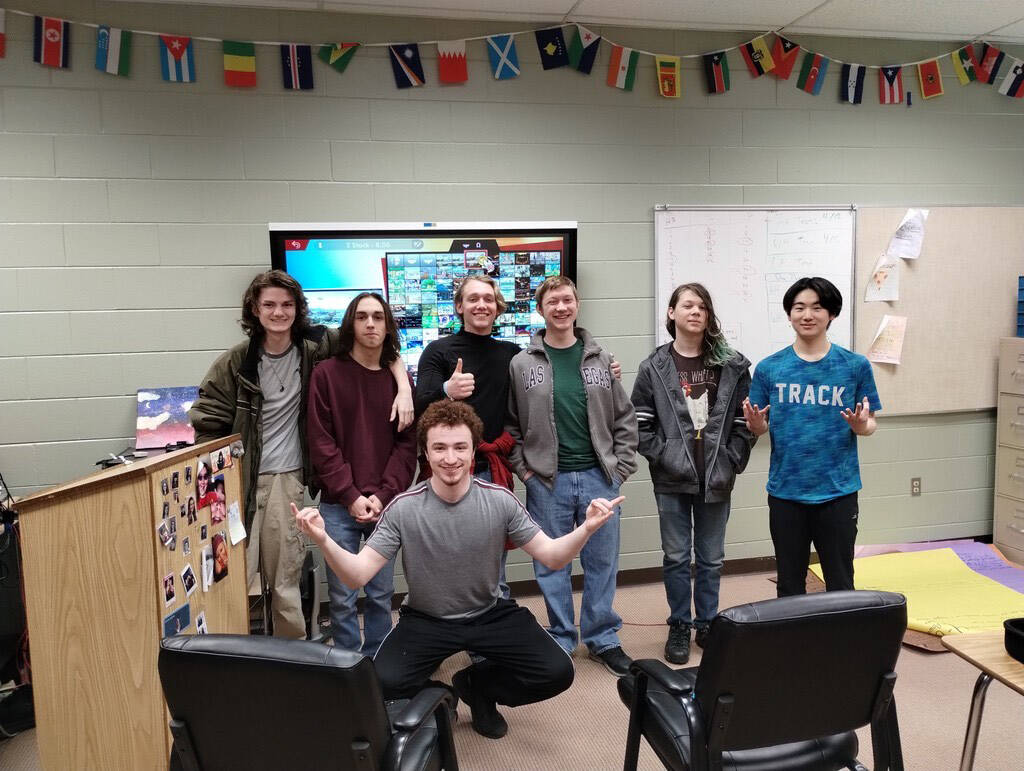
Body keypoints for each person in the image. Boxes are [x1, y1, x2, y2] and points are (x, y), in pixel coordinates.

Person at [293, 400, 623, 740]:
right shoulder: (404, 509)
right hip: (426, 619)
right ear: (425, 451)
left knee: (557, 672)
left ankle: (478, 687)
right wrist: (323, 539)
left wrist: (586, 528)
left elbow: (552, 556)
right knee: (380, 684)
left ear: (473, 449)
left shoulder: (499, 501)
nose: (450, 458)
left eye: (459, 447)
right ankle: (440, 696)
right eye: (439, 448)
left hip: (489, 613)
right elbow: (357, 575)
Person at [190, 270, 414, 639]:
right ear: (254, 309)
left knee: (285, 581)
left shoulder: (313, 349)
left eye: (287, 305)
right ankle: (229, 657)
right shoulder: (236, 361)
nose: (279, 313)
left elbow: (377, 345)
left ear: (298, 309)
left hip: (288, 479)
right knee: (232, 578)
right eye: (269, 305)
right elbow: (206, 417)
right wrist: (225, 466)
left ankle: (294, 661)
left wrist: (404, 386)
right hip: (241, 480)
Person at [416, 274, 624, 597]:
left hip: (492, 471)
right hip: (448, 467)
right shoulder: (438, 351)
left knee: (493, 563)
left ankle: (490, 638)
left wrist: (608, 372)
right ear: (459, 306)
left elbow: (516, 420)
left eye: (488, 299)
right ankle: (447, 627)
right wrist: (446, 389)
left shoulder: (514, 356)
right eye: (472, 299)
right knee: (443, 554)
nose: (481, 305)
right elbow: (417, 404)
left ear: (497, 307)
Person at [506, 275, 638, 677]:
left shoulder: (601, 358)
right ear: (541, 309)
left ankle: (602, 637)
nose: (561, 308)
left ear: (577, 305)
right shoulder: (522, 363)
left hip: (600, 477)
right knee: (551, 564)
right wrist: (525, 472)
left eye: (567, 300)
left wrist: (622, 467)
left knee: (602, 561)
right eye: (552, 302)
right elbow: (511, 426)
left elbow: (624, 417)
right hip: (547, 481)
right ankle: (562, 635)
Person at [631, 283, 755, 665]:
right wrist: (665, 456)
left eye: (702, 306)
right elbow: (640, 424)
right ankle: (680, 624)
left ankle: (707, 624)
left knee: (712, 558)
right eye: (687, 305)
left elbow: (744, 422)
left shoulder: (731, 365)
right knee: (675, 556)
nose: (695, 312)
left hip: (716, 477)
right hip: (672, 479)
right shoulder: (654, 367)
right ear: (671, 313)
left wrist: (732, 458)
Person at [743, 276, 881, 597]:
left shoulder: (855, 366)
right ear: (789, 314)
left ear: (831, 314)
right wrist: (756, 426)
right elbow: (759, 426)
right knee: (789, 582)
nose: (807, 315)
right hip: (786, 492)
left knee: (841, 580)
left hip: (838, 491)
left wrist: (861, 426)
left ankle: (841, 644)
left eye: (817, 308)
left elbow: (869, 423)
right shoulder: (769, 368)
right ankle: (793, 645)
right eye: (799, 307)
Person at [307, 292, 417, 655]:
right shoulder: (326, 375)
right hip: (339, 506)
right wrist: (351, 495)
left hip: (385, 507)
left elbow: (406, 447)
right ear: (350, 325)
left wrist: (383, 496)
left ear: (387, 327)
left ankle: (378, 663)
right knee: (341, 596)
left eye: (378, 317)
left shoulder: (399, 382)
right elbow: (321, 443)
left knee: (381, 594)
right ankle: (348, 665)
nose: (370, 323)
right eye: (361, 317)